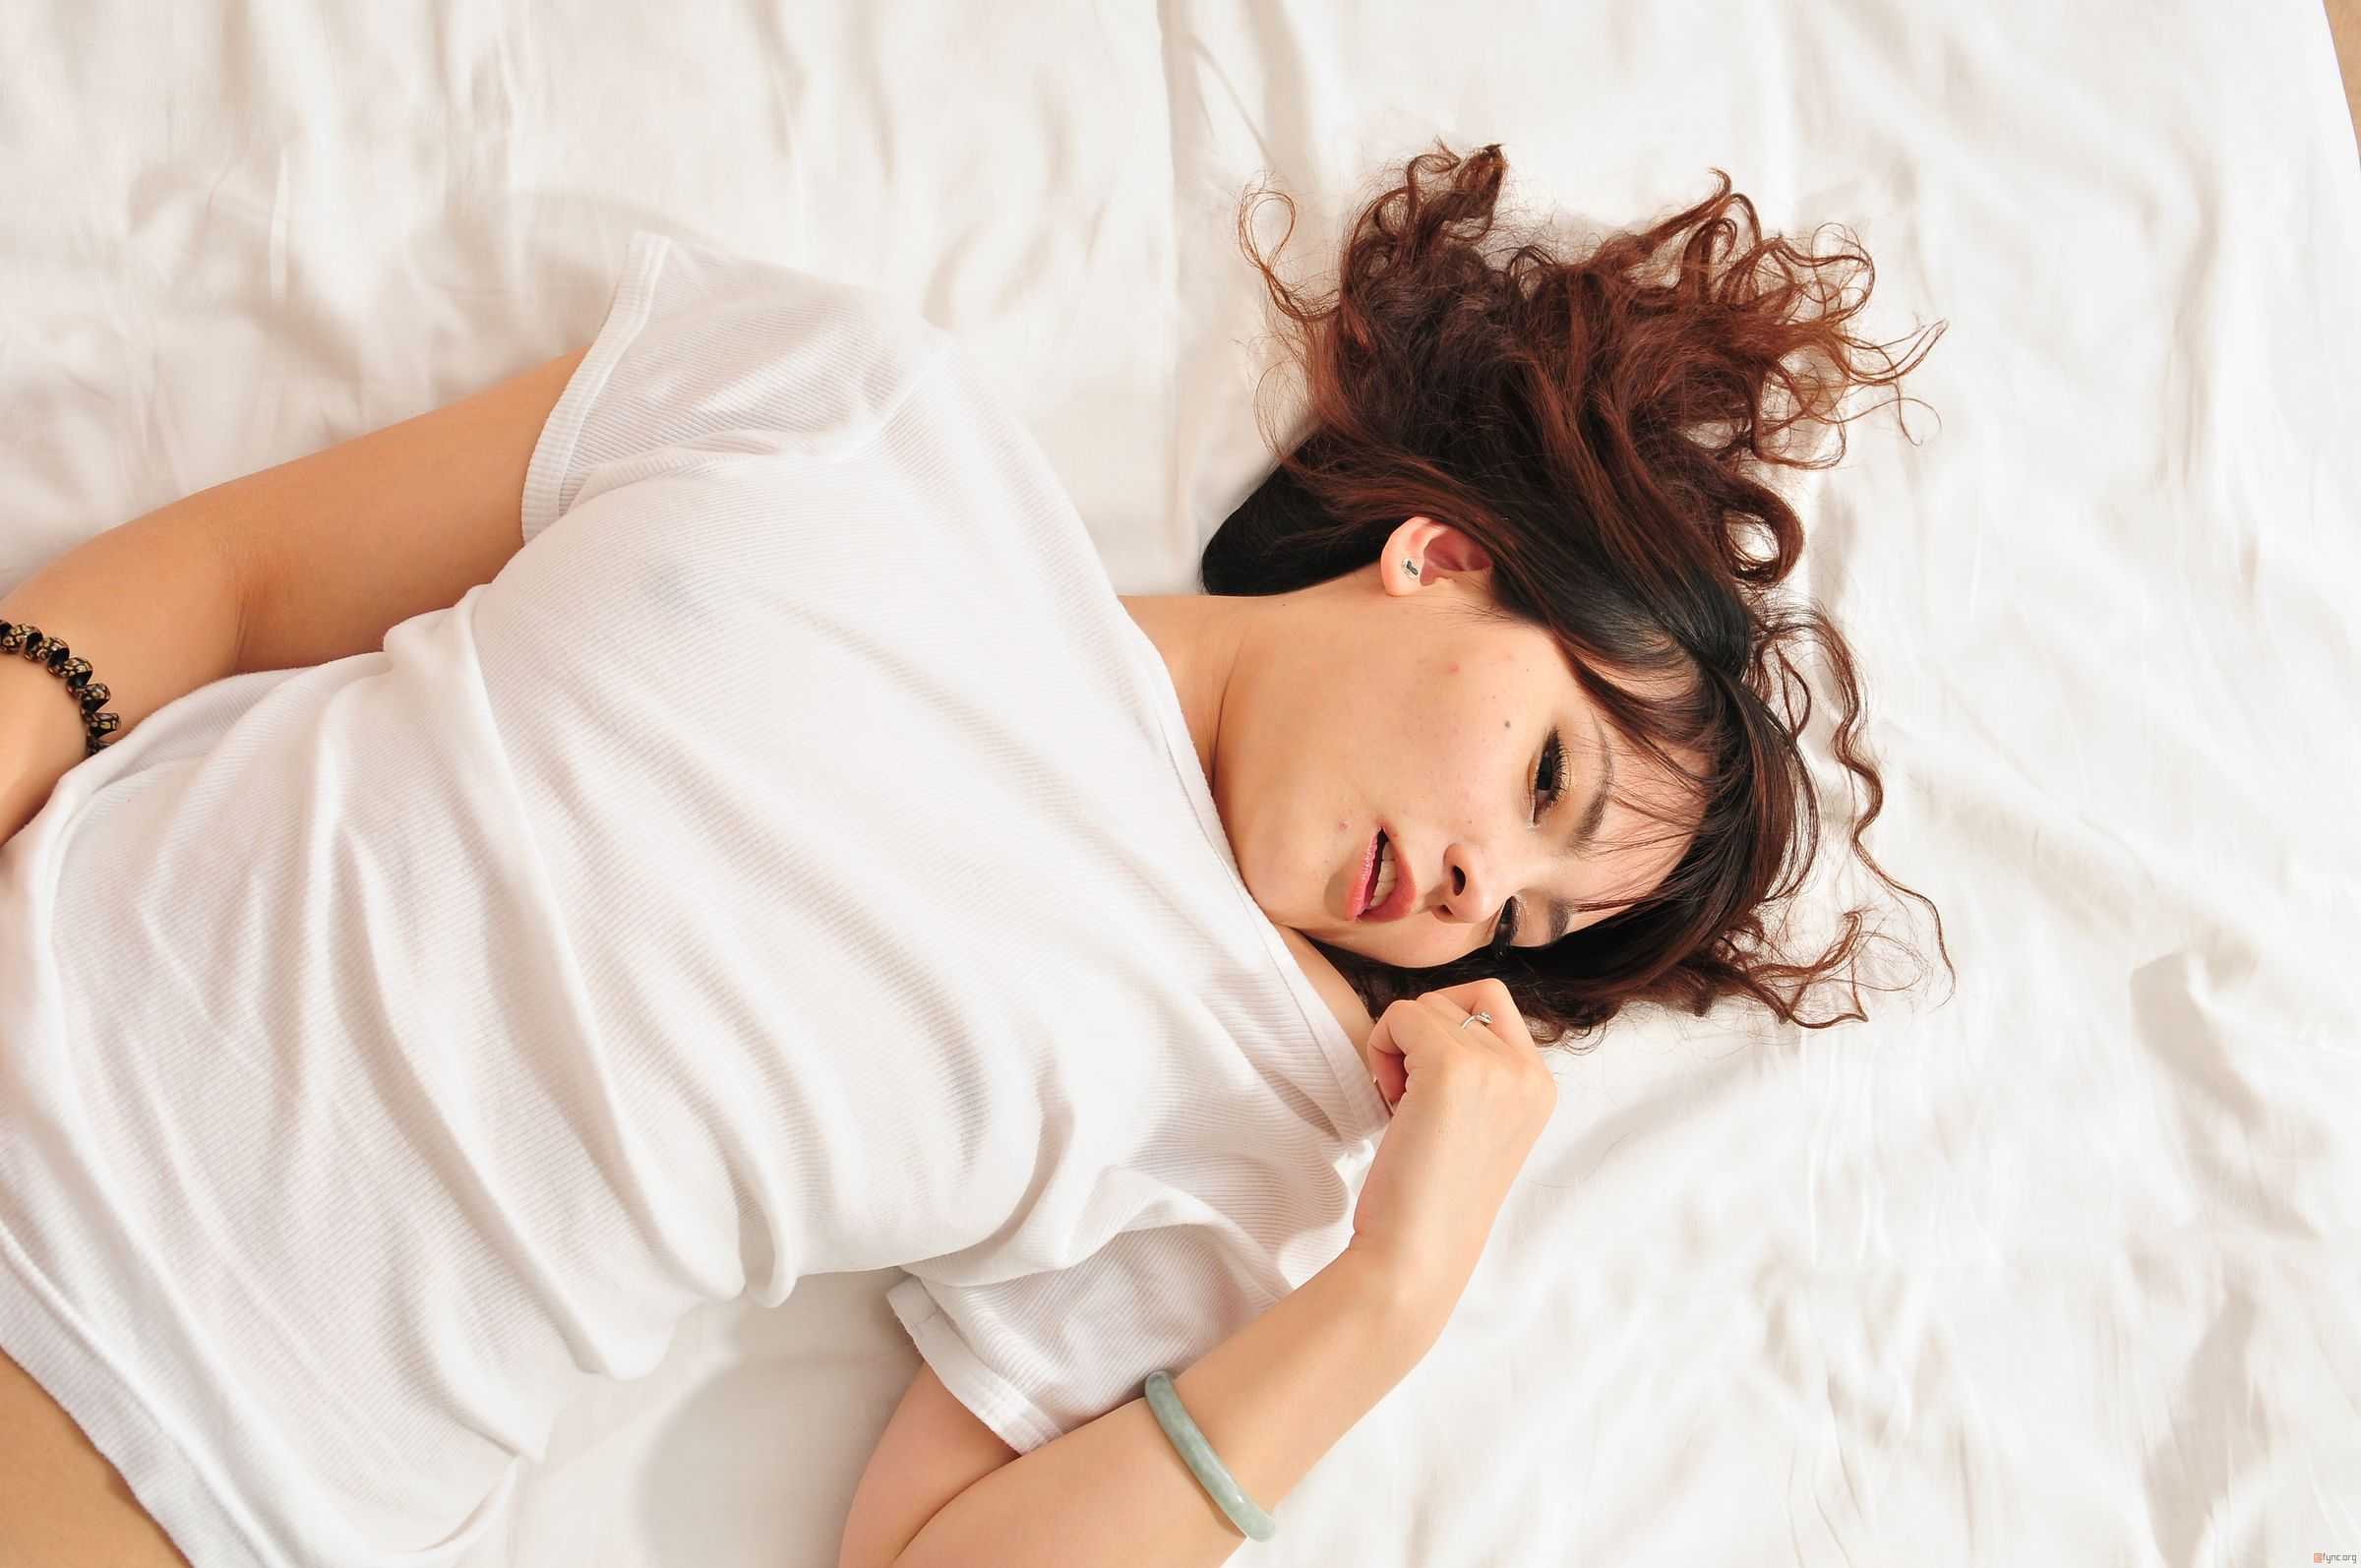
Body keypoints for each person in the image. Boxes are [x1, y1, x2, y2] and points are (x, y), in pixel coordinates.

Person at [0, 142, 1947, 1567]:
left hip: (175, 1464)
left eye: (1520, 920)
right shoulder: (853, 405)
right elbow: (235, 575)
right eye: (1542, 778)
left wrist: (1388, 1297)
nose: (1467, 895)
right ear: (1441, 556)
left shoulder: (1249, 1108)